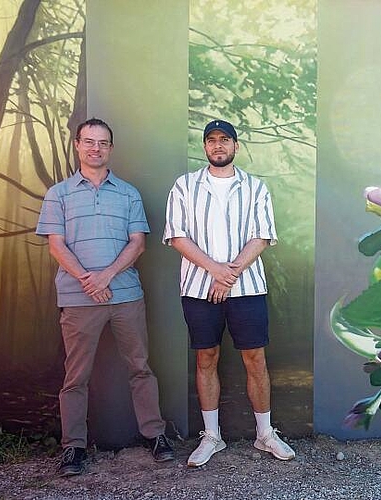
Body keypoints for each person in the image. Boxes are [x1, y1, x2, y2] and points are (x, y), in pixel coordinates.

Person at [36, 118, 174, 477]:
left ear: (111, 148)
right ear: (78, 145)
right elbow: (56, 244)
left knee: (140, 367)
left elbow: (138, 243)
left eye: (103, 142)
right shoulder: (59, 194)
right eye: (89, 142)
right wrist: (88, 280)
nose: (95, 148)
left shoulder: (128, 193)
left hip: (125, 295)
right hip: (79, 298)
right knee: (76, 376)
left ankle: (156, 436)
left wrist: (106, 276)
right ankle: (73, 449)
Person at [163, 119, 295, 466]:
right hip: (199, 288)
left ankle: (265, 435)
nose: (218, 145)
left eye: (225, 140)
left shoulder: (255, 187)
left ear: (236, 146)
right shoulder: (184, 186)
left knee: (255, 360)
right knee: (206, 358)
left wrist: (229, 272)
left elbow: (263, 235)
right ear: (204, 147)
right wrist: (215, 271)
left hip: (247, 288)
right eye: (211, 140)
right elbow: (177, 236)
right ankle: (212, 437)